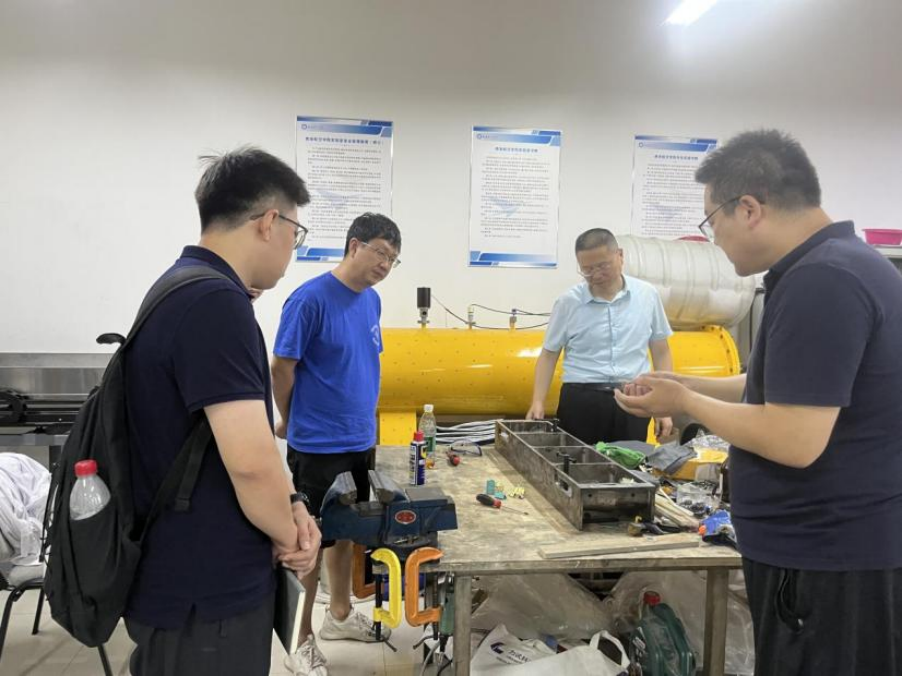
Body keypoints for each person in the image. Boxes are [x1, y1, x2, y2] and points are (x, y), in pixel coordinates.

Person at [615, 129, 902, 675]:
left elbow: (794, 438)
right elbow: (775, 387)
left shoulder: (823, 280)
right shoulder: (842, 264)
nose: (714, 240)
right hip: (832, 553)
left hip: (825, 561)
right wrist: (683, 384)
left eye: (712, 221)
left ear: (748, 208)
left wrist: (686, 401)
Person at [124, 147, 322, 675]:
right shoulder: (215, 304)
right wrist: (293, 542)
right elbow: (250, 463)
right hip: (206, 594)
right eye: (296, 232)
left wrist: (292, 502)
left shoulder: (181, 285)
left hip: (181, 575)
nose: (293, 247)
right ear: (269, 222)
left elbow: (229, 443)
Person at [272, 212, 402, 676]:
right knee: (309, 541)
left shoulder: (372, 301)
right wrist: (291, 419)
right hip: (318, 444)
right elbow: (281, 366)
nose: (385, 264)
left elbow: (360, 364)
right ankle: (300, 640)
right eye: (380, 252)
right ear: (354, 246)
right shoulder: (309, 300)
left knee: (345, 532)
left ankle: (340, 615)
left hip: (358, 438)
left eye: (393, 259)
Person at [526, 228, 674, 445]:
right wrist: (537, 401)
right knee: (577, 463)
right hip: (582, 401)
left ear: (620, 255)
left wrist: (663, 406)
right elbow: (549, 355)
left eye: (603, 266)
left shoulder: (647, 295)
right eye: (587, 270)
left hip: (633, 397)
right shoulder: (568, 302)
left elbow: (661, 350)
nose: (596, 275)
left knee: (630, 462)